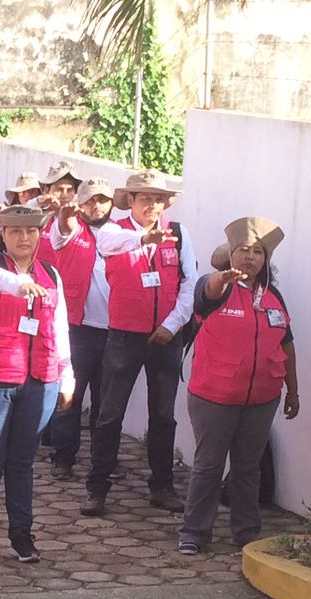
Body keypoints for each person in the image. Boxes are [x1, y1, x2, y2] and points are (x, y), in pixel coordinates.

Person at [0, 206, 75, 564]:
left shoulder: (51, 274)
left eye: (30, 231)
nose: (24, 238)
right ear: (3, 235)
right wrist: (20, 284)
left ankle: (21, 533)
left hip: (39, 378)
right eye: (15, 231)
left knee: (23, 461)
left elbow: (60, 327)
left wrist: (66, 375)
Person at [180, 217, 299, 554]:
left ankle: (246, 532)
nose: (251, 257)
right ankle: (194, 532)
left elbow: (287, 344)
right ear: (230, 254)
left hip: (262, 398)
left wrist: (294, 390)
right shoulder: (215, 287)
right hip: (214, 397)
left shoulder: (273, 296)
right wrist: (223, 278)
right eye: (243, 250)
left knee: (248, 467)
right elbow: (207, 291)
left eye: (258, 251)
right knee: (208, 465)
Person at [83, 171, 197, 517]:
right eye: (144, 198)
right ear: (130, 201)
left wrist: (171, 324)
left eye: (158, 199)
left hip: (166, 336)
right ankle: (97, 487)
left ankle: (162, 486)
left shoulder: (179, 233)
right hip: (124, 335)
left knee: (163, 415)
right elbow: (108, 246)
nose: (152, 205)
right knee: (109, 414)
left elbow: (189, 282)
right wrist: (146, 239)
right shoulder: (113, 231)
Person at [45, 178, 115, 479]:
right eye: (90, 200)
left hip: (115, 330)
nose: (97, 205)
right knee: (71, 395)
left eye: (103, 199)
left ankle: (104, 460)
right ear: (81, 204)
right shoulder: (72, 229)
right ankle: (64, 456)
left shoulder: (120, 232)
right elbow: (61, 232)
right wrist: (64, 216)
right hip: (79, 326)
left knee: (106, 401)